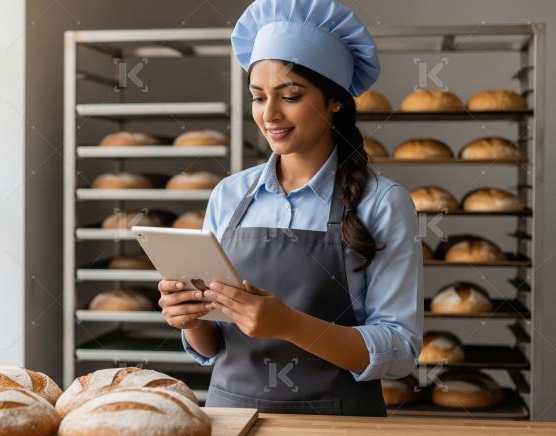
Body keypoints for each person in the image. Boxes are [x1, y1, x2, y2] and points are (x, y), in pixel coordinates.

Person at [157, 0, 423, 416]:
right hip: (233, 417)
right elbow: (214, 346)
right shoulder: (229, 195)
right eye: (258, 97)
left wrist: (289, 325)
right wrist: (191, 320)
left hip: (339, 421)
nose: (270, 114)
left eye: (291, 95)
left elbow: (401, 349)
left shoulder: (383, 202)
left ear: (335, 100)